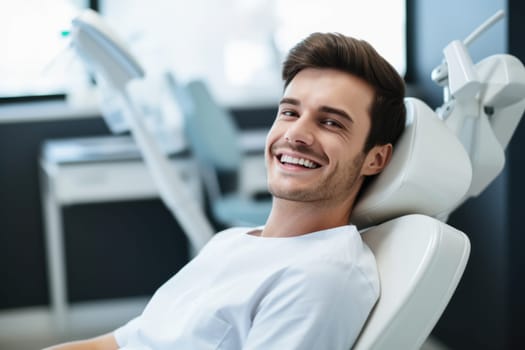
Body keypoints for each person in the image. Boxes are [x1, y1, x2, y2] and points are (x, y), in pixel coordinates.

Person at [45, 32, 406, 350]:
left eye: (330, 122)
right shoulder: (230, 242)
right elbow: (119, 342)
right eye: (289, 112)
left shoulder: (322, 278)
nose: (296, 134)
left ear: (374, 159)